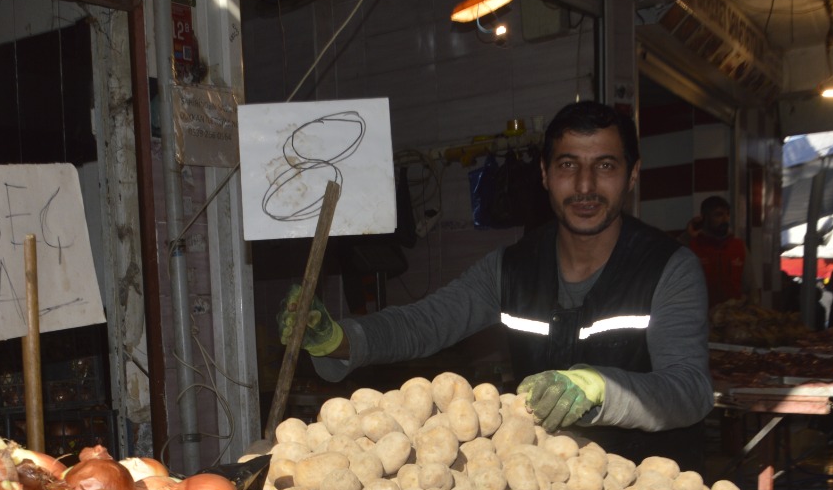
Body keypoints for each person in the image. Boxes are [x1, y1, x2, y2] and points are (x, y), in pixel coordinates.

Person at [278, 100, 712, 469]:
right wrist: (338, 340)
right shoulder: (511, 268)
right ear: (545, 174)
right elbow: (423, 324)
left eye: (605, 166)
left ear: (632, 174)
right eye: (568, 165)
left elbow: (690, 390)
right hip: (543, 485)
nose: (585, 185)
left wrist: (601, 387)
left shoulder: (669, 269)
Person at [682, 195, 754, 310]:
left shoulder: (738, 246)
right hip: (702, 315)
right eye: (719, 215)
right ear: (704, 218)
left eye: (727, 214)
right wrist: (687, 236)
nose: (725, 219)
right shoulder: (692, 247)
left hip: (734, 316)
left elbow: (750, 286)